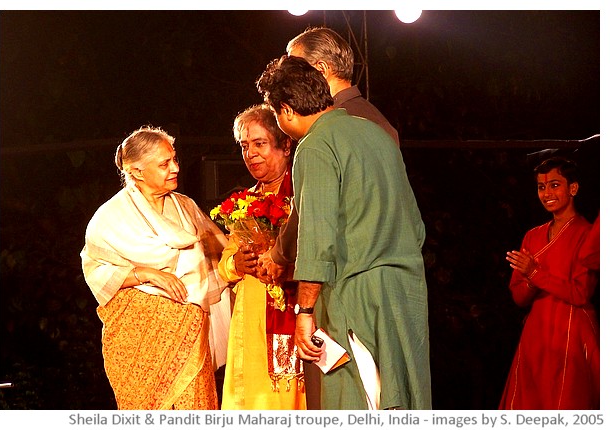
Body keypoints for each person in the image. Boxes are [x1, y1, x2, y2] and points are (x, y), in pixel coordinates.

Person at [256, 55, 431, 410]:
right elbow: (415, 224)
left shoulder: (316, 145)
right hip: (407, 290)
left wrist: (304, 312)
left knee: (360, 403)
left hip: (358, 295)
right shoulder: (375, 133)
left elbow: (317, 239)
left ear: (286, 111)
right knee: (404, 401)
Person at [81, 125, 230, 409]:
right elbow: (96, 270)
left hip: (189, 332)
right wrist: (146, 274)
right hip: (137, 340)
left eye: (174, 160)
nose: (174, 168)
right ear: (137, 171)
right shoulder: (111, 217)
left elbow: (220, 252)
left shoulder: (186, 207)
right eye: (164, 164)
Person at [219, 104, 306, 410]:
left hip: (292, 315)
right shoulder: (245, 201)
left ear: (285, 145)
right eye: (244, 146)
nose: (250, 154)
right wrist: (235, 264)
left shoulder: (301, 195)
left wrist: (284, 265)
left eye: (259, 143)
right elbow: (225, 263)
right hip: (249, 322)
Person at [500, 156, 599, 409]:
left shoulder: (587, 233)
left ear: (573, 188)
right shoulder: (532, 235)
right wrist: (531, 279)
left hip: (571, 331)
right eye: (541, 187)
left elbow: (580, 293)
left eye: (555, 185)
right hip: (537, 334)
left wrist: (535, 273)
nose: (546, 193)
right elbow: (519, 297)